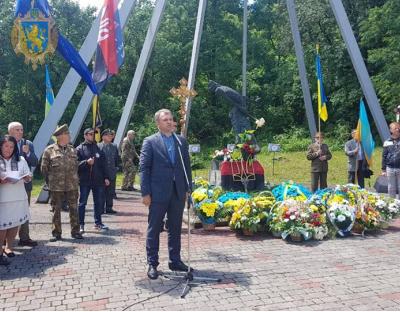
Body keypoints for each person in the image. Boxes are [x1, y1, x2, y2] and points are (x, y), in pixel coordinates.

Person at [140, 108, 192, 280]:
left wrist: (187, 189)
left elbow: (186, 167)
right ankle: (152, 263)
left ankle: (175, 260)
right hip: (157, 193)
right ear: (158, 123)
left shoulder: (181, 141)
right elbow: (144, 169)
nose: (169, 122)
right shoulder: (150, 142)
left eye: (171, 119)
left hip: (177, 192)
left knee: (175, 228)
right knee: (154, 228)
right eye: (165, 120)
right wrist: (145, 192)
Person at [41, 124, 83, 241]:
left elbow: (76, 167)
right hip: (56, 186)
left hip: (72, 185)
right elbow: (44, 169)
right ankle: (57, 233)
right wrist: (51, 181)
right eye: (67, 134)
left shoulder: (73, 150)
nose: (69, 136)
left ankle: (75, 231)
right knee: (56, 210)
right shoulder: (49, 151)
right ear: (60, 136)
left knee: (74, 208)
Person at [0, 135, 32, 265]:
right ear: (1, 146)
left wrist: (27, 177)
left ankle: (9, 247)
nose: (8, 149)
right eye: (6, 146)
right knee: (2, 226)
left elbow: (28, 173)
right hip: (3, 199)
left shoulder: (21, 159)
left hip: (18, 197)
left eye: (11, 147)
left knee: (14, 224)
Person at [8, 121, 38, 247]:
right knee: (8, 211)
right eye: (17, 130)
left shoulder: (28, 144)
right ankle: (6, 239)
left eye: (21, 130)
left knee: (24, 210)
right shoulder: (4, 143)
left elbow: (35, 162)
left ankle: (24, 238)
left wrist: (28, 153)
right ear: (10, 132)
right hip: (8, 185)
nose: (20, 132)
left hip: (25, 185)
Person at [76, 128, 110, 233]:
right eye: (90, 134)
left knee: (98, 203)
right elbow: (75, 164)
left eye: (94, 134)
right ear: (85, 135)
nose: (93, 136)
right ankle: (80, 224)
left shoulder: (98, 148)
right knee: (82, 203)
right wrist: (86, 162)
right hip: (85, 180)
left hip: (98, 181)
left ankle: (98, 222)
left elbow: (103, 164)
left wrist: (106, 177)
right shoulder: (79, 148)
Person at [98, 129, 119, 214]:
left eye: (111, 135)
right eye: (108, 135)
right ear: (103, 136)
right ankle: (101, 208)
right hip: (101, 173)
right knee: (101, 192)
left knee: (110, 191)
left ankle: (109, 207)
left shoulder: (114, 146)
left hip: (112, 172)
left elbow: (116, 158)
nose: (110, 137)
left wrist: (116, 168)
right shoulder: (98, 146)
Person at [382, 122, 400, 198]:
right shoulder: (387, 142)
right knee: (391, 188)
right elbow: (384, 156)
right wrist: (383, 170)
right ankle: (392, 204)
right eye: (395, 128)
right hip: (390, 168)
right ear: (391, 130)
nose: (398, 129)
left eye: (398, 127)